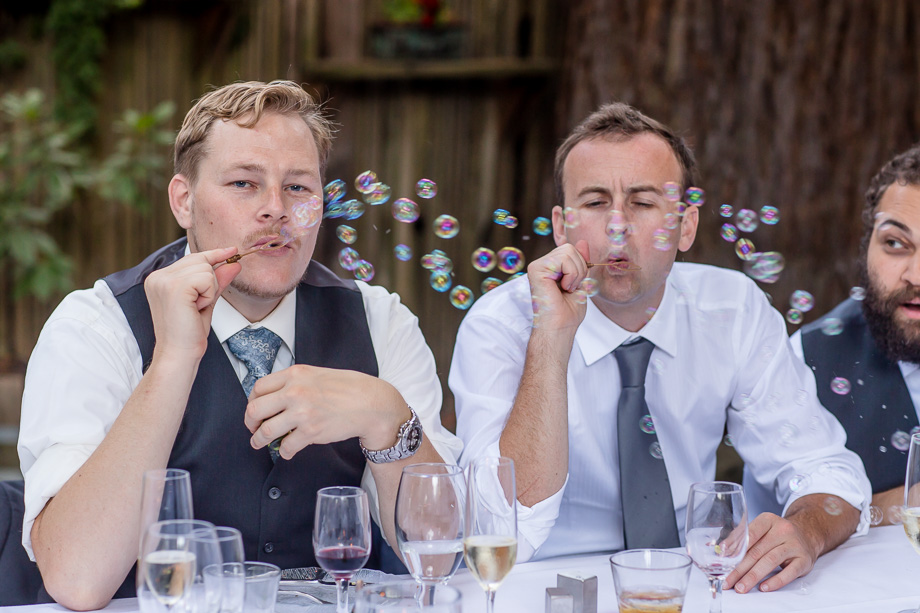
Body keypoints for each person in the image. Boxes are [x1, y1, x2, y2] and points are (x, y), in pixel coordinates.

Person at [18, 80, 461, 610]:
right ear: (184, 201)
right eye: (245, 184)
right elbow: (76, 578)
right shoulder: (96, 326)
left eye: (298, 188)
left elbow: (441, 554)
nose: (275, 209)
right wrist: (172, 362)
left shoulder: (380, 321)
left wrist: (389, 417)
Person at [449, 102, 871, 595]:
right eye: (595, 202)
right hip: (539, 590)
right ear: (561, 228)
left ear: (686, 226)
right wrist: (551, 338)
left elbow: (825, 468)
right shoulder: (500, 324)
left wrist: (807, 531)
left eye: (643, 202)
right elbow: (497, 527)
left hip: (689, 583)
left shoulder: (733, 310)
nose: (617, 226)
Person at [745, 144, 920, 527]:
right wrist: (897, 504)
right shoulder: (804, 360)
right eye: (895, 244)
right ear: (866, 247)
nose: (915, 276)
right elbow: (774, 529)